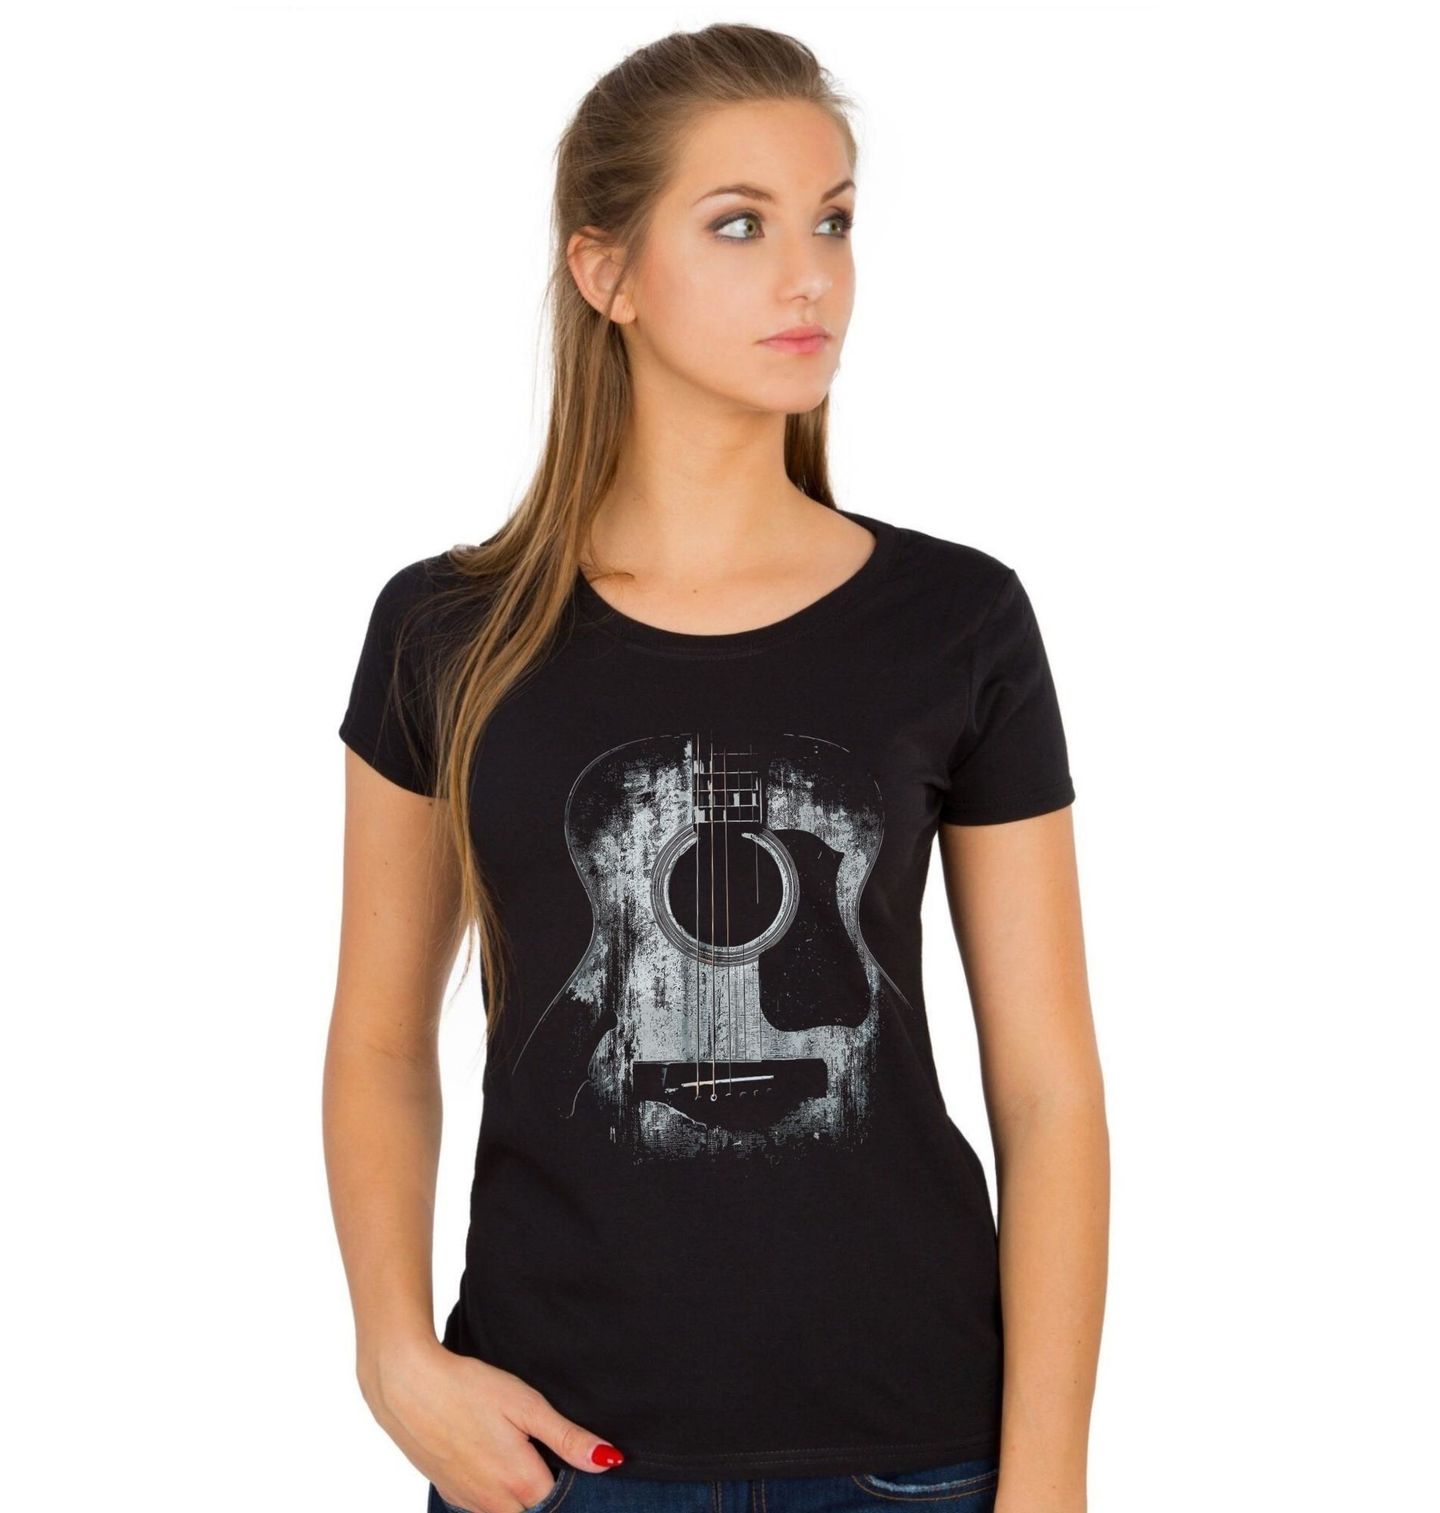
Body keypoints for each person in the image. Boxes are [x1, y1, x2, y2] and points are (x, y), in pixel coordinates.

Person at [325, 22, 1108, 1513]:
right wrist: (393, 1355)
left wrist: (1051, 1478)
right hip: (551, 1453)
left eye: (835, 221)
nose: (809, 275)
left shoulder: (957, 620)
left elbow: (1049, 1085)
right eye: (740, 225)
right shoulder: (447, 629)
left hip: (913, 1449)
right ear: (605, 271)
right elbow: (376, 1039)